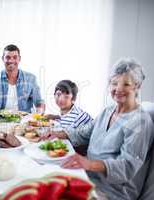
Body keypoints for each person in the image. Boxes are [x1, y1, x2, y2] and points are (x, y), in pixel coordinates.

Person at [44, 58, 154, 200]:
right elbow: (85, 132)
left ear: (137, 87)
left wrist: (89, 163)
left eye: (126, 84)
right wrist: (57, 134)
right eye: (114, 83)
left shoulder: (140, 122)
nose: (118, 89)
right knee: (46, 180)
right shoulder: (107, 111)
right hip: (88, 176)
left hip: (112, 191)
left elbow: (126, 167)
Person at [0, 44, 45, 113]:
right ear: (3, 58)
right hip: (0, 120)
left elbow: (39, 102)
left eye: (15, 57)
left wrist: (40, 110)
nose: (11, 61)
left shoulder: (31, 79)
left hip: (24, 121)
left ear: (19, 59)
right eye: (8, 57)